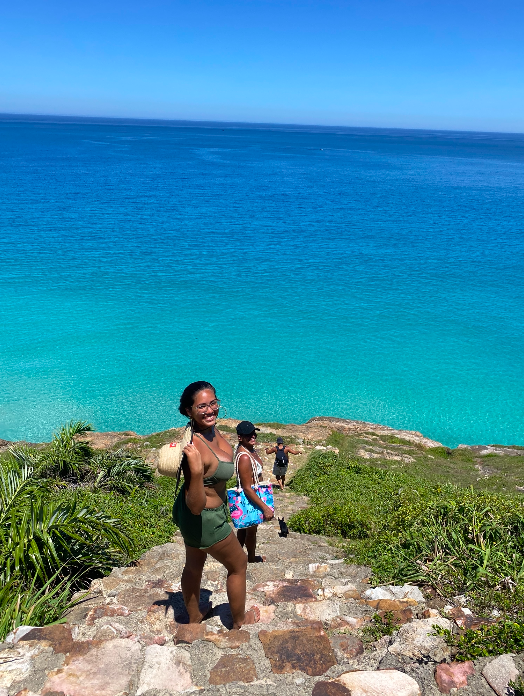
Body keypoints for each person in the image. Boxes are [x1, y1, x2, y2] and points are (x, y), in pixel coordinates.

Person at [172, 381, 260, 628]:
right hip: (205, 516)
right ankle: (239, 620)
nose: (210, 410)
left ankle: (194, 616)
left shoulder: (210, 429)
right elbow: (195, 506)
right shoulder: (195, 448)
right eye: (202, 406)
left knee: (194, 564)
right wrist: (198, 473)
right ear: (189, 411)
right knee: (238, 564)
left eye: (213, 403)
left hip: (203, 516)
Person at [235, 421, 274, 563]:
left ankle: (237, 556)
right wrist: (265, 508)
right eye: (249, 435)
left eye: (254, 433)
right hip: (250, 496)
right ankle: (250, 558)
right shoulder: (245, 456)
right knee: (251, 531)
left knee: (244, 528)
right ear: (240, 437)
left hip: (253, 495)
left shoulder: (249, 449)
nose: (253, 436)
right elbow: (247, 487)